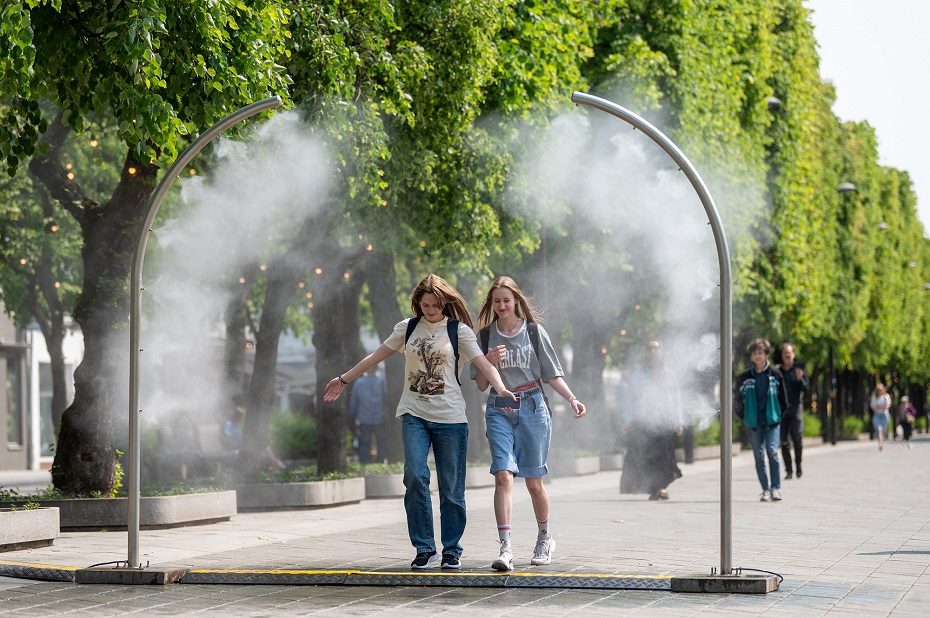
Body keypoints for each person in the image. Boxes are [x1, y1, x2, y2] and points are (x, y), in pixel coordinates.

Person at [323, 274, 515, 571]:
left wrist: (501, 389)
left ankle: (452, 549)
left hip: (451, 418)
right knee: (414, 475)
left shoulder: (458, 331)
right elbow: (376, 356)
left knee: (451, 487)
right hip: (414, 413)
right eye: (425, 305)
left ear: (445, 303)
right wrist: (343, 379)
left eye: (435, 305)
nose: (430, 310)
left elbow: (484, 364)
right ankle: (425, 547)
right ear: (418, 304)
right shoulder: (407, 328)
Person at [471, 276, 586, 572]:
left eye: (506, 300)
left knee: (534, 483)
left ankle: (545, 537)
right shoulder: (484, 336)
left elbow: (551, 374)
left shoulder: (534, 333)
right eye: (496, 301)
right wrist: (488, 360)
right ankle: (506, 548)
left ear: (516, 301)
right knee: (503, 476)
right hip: (499, 407)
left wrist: (572, 398)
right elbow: (480, 385)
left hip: (533, 407)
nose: (501, 305)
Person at [619, 340, 683, 501]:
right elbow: (630, 399)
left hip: (664, 422)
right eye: (649, 349)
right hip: (644, 423)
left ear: (661, 352)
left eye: (656, 349)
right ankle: (655, 488)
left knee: (665, 459)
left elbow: (676, 400)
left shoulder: (669, 375)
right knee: (648, 458)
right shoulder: (638, 375)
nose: (653, 352)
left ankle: (660, 487)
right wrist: (627, 419)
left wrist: (678, 421)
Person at [736, 338, 788, 502]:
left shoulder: (775, 375)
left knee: (772, 452)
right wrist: (744, 416)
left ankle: (775, 488)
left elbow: (783, 400)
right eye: (754, 353)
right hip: (753, 423)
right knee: (758, 455)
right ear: (751, 357)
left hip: (772, 422)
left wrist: (777, 416)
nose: (757, 356)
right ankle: (765, 489)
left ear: (766, 355)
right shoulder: (745, 377)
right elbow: (737, 399)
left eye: (760, 353)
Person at [777, 342, 810, 479]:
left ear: (794, 355)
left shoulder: (799, 370)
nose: (787, 354)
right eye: (785, 351)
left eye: (790, 352)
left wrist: (800, 379)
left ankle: (799, 465)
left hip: (796, 409)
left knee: (797, 437)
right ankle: (789, 470)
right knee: (784, 441)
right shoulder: (777, 371)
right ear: (782, 355)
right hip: (782, 411)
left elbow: (807, 390)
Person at [347, 366, 386, 464]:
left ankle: (365, 463)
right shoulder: (382, 381)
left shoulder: (359, 383)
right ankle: (380, 461)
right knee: (381, 442)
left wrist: (352, 415)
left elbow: (354, 402)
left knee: (364, 443)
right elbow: (386, 400)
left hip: (363, 418)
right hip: (379, 417)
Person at [869, 384, 892, 451]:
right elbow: (873, 407)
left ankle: (882, 442)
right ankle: (880, 444)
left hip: (884, 415)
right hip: (877, 415)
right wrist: (881, 407)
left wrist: (880, 407)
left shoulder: (886, 396)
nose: (879, 391)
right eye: (878, 390)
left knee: (883, 430)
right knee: (879, 430)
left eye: (880, 389)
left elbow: (887, 406)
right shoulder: (874, 397)